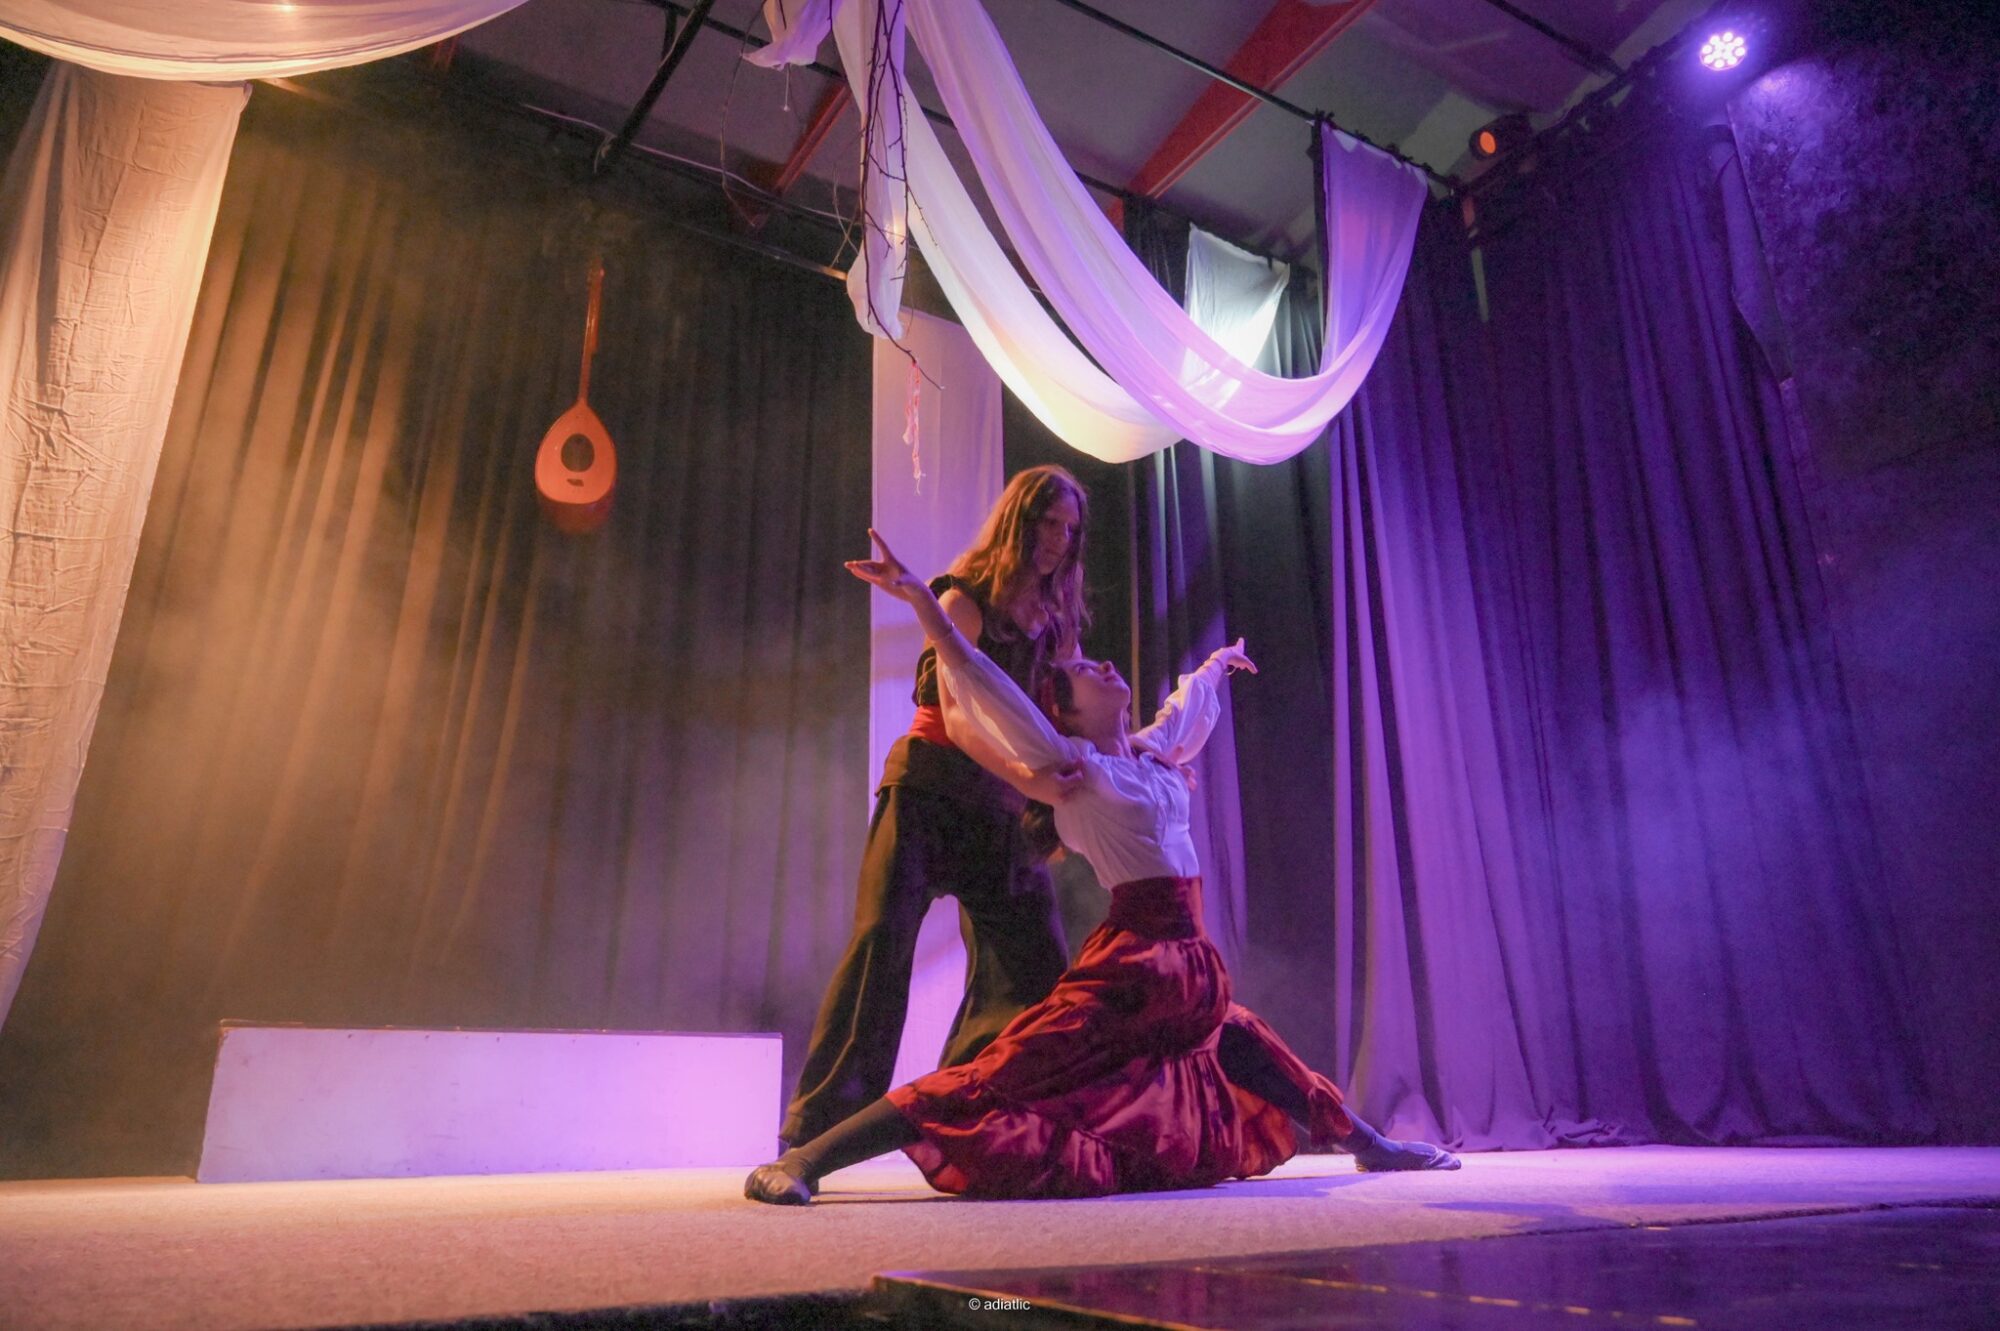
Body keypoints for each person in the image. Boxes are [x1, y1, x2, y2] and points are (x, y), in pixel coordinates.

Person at [745, 531, 1459, 1204]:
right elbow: (981, 680)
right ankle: (805, 1159)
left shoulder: (1149, 756)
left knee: (1244, 1039)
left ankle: (1371, 1145)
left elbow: (1185, 715)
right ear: (1066, 712)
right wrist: (925, 604)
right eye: (1086, 671)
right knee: (999, 1072)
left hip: (1191, 966)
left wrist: (1216, 666)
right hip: (1131, 972)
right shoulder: (1076, 770)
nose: (1104, 665)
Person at [780, 467, 1089, 1151]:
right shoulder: (963, 598)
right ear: (1019, 520)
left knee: (1037, 968)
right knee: (880, 949)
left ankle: (971, 1121)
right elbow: (959, 715)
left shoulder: (1054, 623)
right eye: (1048, 523)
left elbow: (1073, 716)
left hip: (999, 813)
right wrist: (1029, 779)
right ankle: (813, 1138)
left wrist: (1143, 759)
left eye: (1070, 529)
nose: (1059, 540)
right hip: (927, 796)